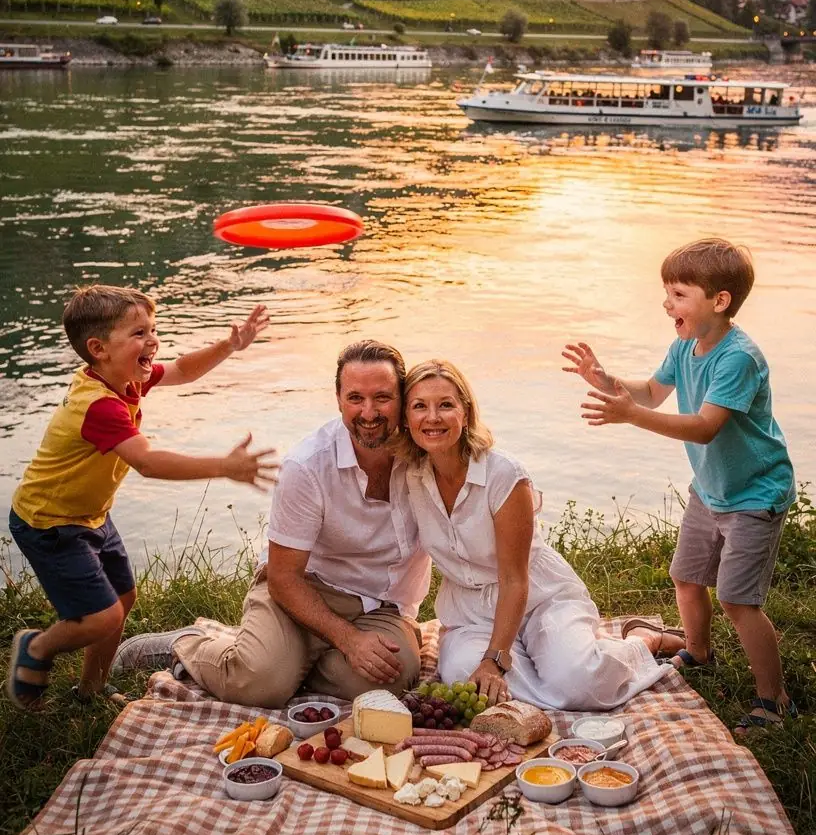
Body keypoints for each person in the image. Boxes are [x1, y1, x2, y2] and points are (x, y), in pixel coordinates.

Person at [113, 340, 431, 708]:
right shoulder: (308, 466)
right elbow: (283, 577)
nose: (369, 412)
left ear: (403, 397)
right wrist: (347, 640)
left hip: (382, 606)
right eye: (355, 398)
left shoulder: (427, 455)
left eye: (383, 398)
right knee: (259, 685)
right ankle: (189, 645)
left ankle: (280, 662)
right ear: (338, 398)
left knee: (388, 683)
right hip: (304, 588)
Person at [564, 236, 798, 731]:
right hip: (710, 489)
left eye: (677, 294)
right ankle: (697, 653)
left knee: (737, 599)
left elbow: (705, 425)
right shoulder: (685, 345)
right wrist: (606, 380)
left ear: (719, 301)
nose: (666, 303)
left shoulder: (738, 358)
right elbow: (650, 393)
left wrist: (630, 418)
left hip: (754, 494)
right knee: (687, 578)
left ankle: (774, 700)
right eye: (666, 292)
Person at [6, 285, 276, 711]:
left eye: (153, 329)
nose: (152, 341)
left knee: (123, 599)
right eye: (138, 333)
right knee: (103, 616)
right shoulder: (98, 406)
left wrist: (230, 344)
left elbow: (184, 369)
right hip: (50, 523)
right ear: (98, 348)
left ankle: (89, 692)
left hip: (89, 515)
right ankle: (37, 647)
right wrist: (223, 467)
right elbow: (147, 462)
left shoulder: (124, 378)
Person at [399, 359, 673, 710]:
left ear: (465, 413)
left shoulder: (504, 475)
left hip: (539, 599)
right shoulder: (409, 477)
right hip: (470, 611)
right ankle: (547, 671)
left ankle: (640, 641)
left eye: (446, 405)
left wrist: (495, 658)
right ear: (406, 418)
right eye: (420, 406)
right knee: (464, 676)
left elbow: (515, 579)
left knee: (579, 682)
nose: (432, 417)